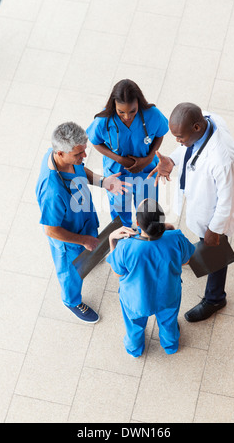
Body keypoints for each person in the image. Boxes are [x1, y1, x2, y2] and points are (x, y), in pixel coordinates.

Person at [148, 102, 234, 322]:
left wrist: (214, 229)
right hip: (201, 200)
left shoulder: (223, 158)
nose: (177, 141)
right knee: (206, 244)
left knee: (216, 250)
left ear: (197, 128)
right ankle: (201, 255)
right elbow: (188, 149)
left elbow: (228, 200)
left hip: (215, 214)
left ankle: (215, 298)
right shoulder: (205, 120)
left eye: (180, 136)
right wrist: (172, 160)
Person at [36, 122, 130, 323]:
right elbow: (51, 230)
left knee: (89, 248)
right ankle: (71, 300)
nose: (84, 156)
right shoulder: (52, 191)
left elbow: (80, 169)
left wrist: (103, 181)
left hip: (83, 219)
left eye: (83, 151)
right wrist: (82, 241)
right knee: (71, 273)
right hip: (69, 239)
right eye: (78, 154)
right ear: (60, 153)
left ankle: (88, 255)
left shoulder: (65, 158)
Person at [106, 198, 195, 357]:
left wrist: (111, 239)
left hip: (136, 300)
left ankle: (134, 349)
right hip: (168, 295)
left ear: (138, 224)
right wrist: (171, 230)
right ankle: (170, 346)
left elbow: (117, 272)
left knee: (134, 326)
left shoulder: (126, 247)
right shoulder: (176, 237)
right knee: (169, 323)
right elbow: (186, 260)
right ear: (162, 220)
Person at [86, 79, 169, 227]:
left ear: (139, 103)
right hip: (117, 173)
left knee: (148, 211)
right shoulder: (103, 121)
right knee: (119, 211)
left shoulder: (152, 114)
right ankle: (123, 236)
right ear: (114, 105)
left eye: (132, 111)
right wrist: (119, 159)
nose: (127, 116)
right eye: (121, 112)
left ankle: (145, 236)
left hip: (146, 171)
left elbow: (159, 134)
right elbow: (95, 141)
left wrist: (148, 158)